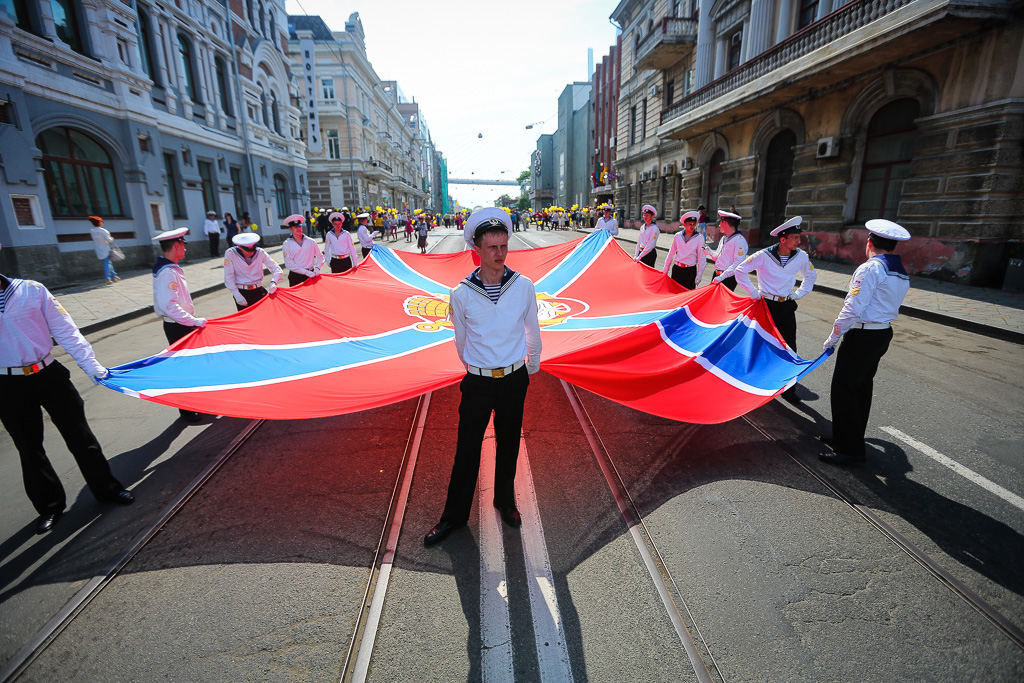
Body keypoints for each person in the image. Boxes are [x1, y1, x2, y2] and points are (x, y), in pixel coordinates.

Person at [424, 208, 542, 546]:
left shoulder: (523, 286)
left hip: (514, 380)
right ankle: (454, 518)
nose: (500, 253)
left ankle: (505, 502)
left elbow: (532, 330)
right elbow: (461, 342)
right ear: (476, 248)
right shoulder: (461, 294)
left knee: (508, 445)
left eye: (504, 246)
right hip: (477, 384)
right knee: (467, 451)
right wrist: (479, 368)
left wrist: (529, 366)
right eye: (492, 247)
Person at [0, 240, 134, 535]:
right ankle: (50, 507)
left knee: (81, 437)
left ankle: (108, 488)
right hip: (7, 384)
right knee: (29, 448)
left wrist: (93, 367)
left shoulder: (31, 290)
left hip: (48, 374)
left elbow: (65, 330)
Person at [820, 219, 912, 465]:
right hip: (881, 334)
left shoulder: (869, 269)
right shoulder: (900, 272)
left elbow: (852, 308)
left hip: (862, 335)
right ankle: (846, 436)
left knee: (844, 390)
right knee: (861, 389)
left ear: (869, 242)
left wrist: (833, 337)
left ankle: (850, 450)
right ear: (892, 246)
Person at [723, 216, 816, 402]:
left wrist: (798, 294)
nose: (799, 241)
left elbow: (811, 276)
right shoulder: (763, 256)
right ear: (783, 239)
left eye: (799, 237)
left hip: (787, 305)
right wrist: (753, 292)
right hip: (766, 305)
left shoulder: (801, 257)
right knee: (760, 344)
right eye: (795, 238)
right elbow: (740, 271)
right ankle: (752, 382)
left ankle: (789, 390)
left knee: (789, 347)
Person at [152, 228, 207, 423]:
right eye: (183, 244)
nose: (185, 248)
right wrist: (194, 322)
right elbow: (170, 306)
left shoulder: (170, 268)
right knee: (184, 368)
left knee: (191, 365)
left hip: (180, 323)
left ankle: (195, 404)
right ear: (177, 245)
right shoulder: (167, 272)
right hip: (178, 326)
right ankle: (187, 409)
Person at [224, 232, 282, 310]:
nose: (251, 253)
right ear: (239, 247)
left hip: (259, 290)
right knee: (247, 319)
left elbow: (276, 269)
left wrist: (273, 282)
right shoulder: (230, 254)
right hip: (242, 292)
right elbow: (228, 276)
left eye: (253, 249)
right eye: (248, 251)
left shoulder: (260, 252)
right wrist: (236, 294)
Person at [704, 209, 747, 291]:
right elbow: (717, 257)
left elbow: (737, 264)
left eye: (720, 222)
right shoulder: (724, 238)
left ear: (725, 223)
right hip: (717, 275)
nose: (719, 225)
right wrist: (709, 252)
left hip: (728, 278)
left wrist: (722, 277)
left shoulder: (739, 240)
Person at [663, 211, 705, 290]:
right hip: (677, 269)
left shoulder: (699, 238)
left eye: (694, 224)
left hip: (690, 271)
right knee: (674, 294)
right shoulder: (678, 236)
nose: (692, 227)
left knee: (687, 295)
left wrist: (699, 275)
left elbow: (701, 258)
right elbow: (671, 253)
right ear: (684, 224)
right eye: (690, 224)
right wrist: (665, 270)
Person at [282, 213, 324, 286]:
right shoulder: (287, 244)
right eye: (295, 227)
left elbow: (320, 257)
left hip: (312, 274)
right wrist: (306, 272)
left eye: (299, 226)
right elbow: (289, 264)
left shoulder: (310, 241)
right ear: (290, 229)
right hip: (296, 276)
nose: (298, 229)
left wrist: (317, 268)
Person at [89, 216, 119, 284]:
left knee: (108, 262)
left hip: (98, 248)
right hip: (106, 248)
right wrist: (112, 238)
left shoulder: (92, 231)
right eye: (102, 221)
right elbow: (109, 240)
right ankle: (107, 278)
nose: (102, 223)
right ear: (99, 222)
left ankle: (114, 275)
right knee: (106, 263)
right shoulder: (103, 231)